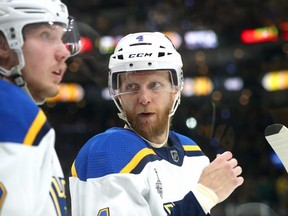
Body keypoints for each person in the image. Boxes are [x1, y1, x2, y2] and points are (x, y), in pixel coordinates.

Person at [69, 32, 244, 216]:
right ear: (118, 95)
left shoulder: (193, 155)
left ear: (175, 90)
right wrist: (203, 196)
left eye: (155, 85)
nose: (144, 98)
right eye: (131, 87)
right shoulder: (109, 152)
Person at [0, 0, 80, 215]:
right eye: (46, 35)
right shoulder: (13, 110)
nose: (64, 52)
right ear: (3, 45)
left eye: (62, 39)